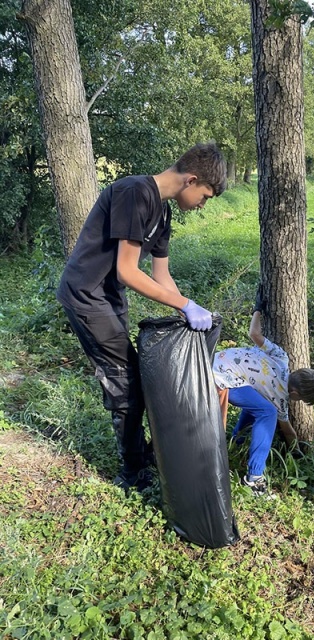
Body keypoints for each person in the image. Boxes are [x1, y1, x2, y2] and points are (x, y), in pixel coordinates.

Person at [57, 142, 227, 491]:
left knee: (134, 376)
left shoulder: (162, 215)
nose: (202, 205)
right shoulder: (134, 193)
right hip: (86, 294)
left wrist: (189, 305)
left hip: (110, 297)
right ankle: (132, 471)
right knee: (124, 382)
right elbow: (127, 271)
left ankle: (143, 454)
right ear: (191, 180)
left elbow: (161, 276)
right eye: (205, 197)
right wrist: (184, 305)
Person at [212, 292, 314, 495]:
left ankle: (236, 441)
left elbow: (254, 334)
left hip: (216, 359)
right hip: (220, 378)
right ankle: (254, 478)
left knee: (258, 406)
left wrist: (258, 309)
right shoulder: (280, 399)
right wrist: (297, 453)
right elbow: (288, 431)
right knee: (267, 412)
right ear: (295, 393)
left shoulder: (282, 357)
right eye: (301, 399)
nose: (297, 402)